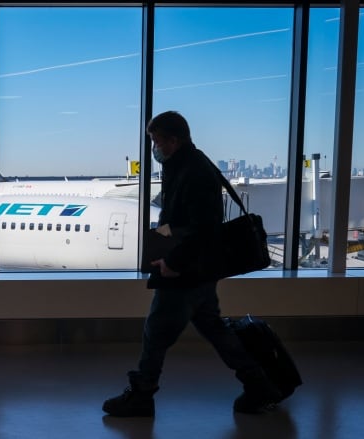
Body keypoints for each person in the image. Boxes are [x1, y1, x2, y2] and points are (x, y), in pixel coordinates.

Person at [102, 111, 281, 417]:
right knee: (213, 327)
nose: (154, 148)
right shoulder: (189, 164)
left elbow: (203, 228)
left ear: (173, 140)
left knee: (156, 332)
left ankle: (142, 394)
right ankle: (258, 383)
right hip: (199, 269)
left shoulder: (192, 171)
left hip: (185, 271)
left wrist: (173, 262)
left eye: (157, 141)